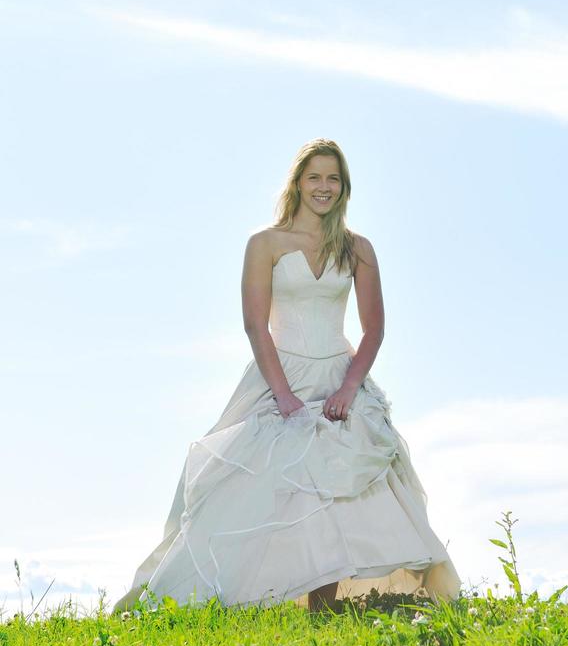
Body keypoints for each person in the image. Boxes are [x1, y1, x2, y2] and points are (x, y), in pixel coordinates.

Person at [113, 138, 461, 615]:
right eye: (314, 177)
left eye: (333, 178)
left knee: (342, 486)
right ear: (297, 182)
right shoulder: (265, 244)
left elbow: (374, 329)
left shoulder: (358, 249)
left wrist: (348, 388)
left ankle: (324, 609)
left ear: (344, 187)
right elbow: (255, 324)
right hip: (280, 376)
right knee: (266, 492)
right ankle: (214, 601)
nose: (324, 187)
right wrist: (283, 397)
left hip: (340, 376)